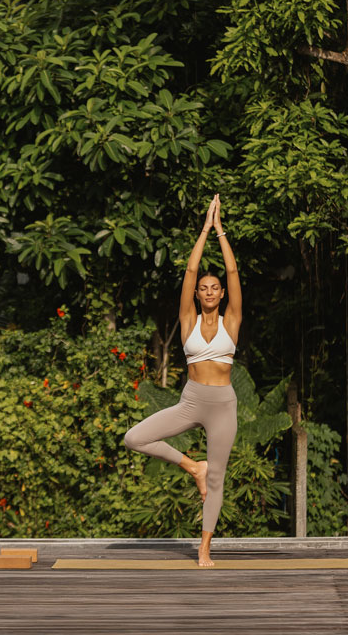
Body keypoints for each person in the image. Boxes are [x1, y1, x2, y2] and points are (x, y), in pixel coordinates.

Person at [124, 193, 242, 566]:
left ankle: (204, 547)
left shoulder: (232, 321)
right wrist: (204, 230)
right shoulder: (188, 320)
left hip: (222, 403)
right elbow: (189, 272)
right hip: (191, 400)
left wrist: (221, 233)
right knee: (134, 437)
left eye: (214, 288)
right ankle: (193, 467)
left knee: (219, 478)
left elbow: (235, 273)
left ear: (222, 294)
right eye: (203, 288)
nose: (208, 291)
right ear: (197, 295)